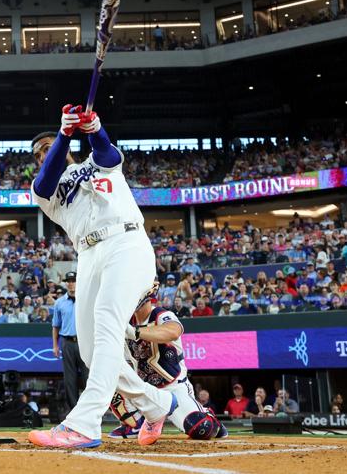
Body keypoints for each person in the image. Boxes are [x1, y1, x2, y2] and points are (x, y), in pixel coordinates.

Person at [28, 105, 176, 448]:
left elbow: (106, 151)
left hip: (126, 242)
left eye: (47, 146)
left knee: (108, 321)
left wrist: (94, 128)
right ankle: (156, 405)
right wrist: (63, 136)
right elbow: (48, 177)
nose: (45, 154)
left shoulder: (96, 163)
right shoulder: (42, 188)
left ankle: (84, 423)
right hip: (89, 254)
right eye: (40, 152)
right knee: (91, 352)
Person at [108, 283, 226, 441]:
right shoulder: (125, 321)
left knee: (201, 428)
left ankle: (206, 414)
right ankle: (136, 423)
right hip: (145, 390)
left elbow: (173, 331)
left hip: (173, 388)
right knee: (108, 375)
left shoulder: (161, 315)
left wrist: (135, 332)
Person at [52, 271, 87, 418]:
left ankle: (87, 411)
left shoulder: (86, 299)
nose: (71, 284)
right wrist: (55, 345)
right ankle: (74, 413)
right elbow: (55, 325)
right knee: (69, 379)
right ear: (66, 283)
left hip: (84, 341)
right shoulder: (59, 302)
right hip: (67, 342)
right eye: (69, 281)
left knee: (87, 377)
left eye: (74, 281)